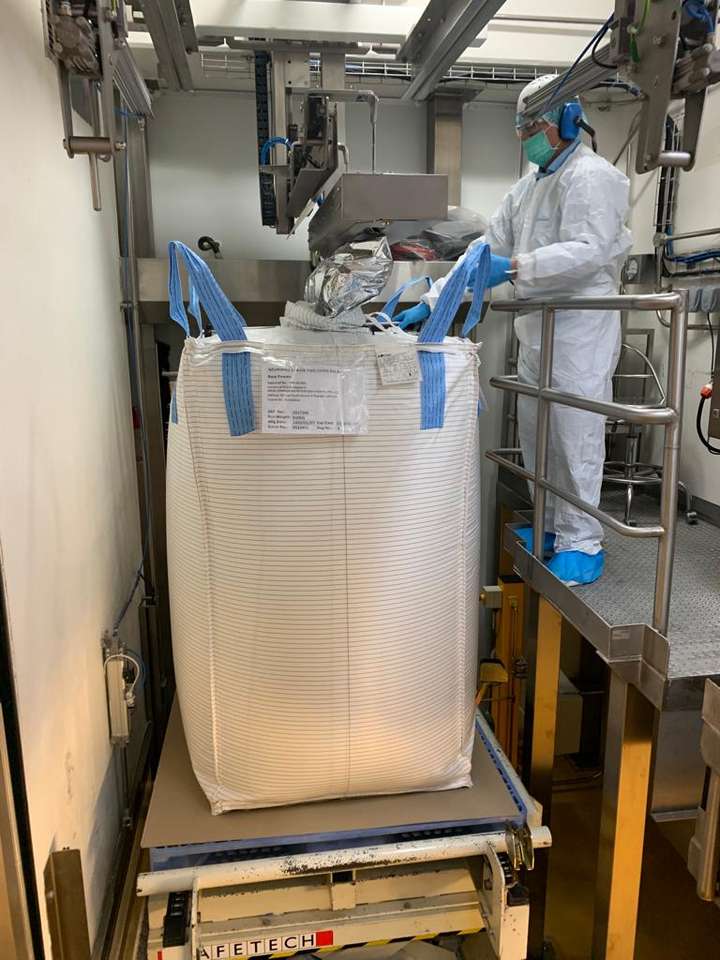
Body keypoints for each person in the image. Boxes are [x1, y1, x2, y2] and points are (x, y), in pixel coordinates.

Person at [395, 76, 632, 586]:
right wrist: (431, 302)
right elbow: (483, 252)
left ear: (568, 121)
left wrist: (520, 267)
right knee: (536, 432)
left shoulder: (595, 178)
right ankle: (550, 524)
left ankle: (582, 541)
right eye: (521, 128)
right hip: (536, 328)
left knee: (573, 434)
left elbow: (591, 250)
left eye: (533, 126)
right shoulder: (526, 188)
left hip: (580, 328)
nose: (526, 136)